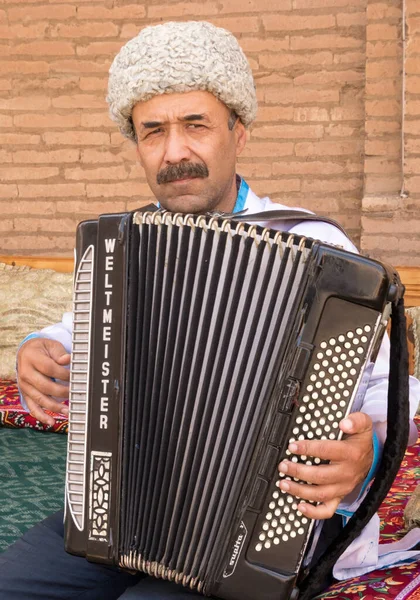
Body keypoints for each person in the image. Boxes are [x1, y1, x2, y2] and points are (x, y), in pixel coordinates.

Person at [3, 20, 420, 600]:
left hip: (259, 528)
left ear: (238, 132)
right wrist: (36, 352)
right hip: (123, 508)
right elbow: (77, 332)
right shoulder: (123, 249)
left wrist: (367, 448)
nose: (175, 152)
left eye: (195, 125)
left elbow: (391, 386)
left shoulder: (322, 254)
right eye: (153, 132)